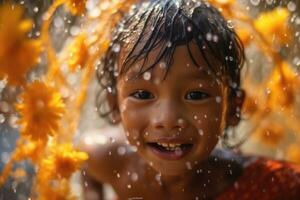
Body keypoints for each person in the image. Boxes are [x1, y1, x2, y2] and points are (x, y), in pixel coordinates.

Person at [79, 0, 300, 199]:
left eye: (195, 95)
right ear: (115, 105)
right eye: (143, 95)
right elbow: (86, 163)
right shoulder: (109, 161)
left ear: (232, 109)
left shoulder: (272, 187)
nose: (168, 119)